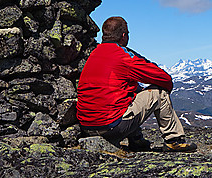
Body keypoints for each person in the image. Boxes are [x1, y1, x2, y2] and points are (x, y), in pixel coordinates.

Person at [76, 16, 197, 152]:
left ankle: (137, 139)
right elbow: (164, 79)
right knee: (159, 93)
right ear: (123, 35)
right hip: (111, 128)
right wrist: (166, 89)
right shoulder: (124, 57)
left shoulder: (94, 54)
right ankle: (174, 141)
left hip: (86, 127)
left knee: (130, 90)